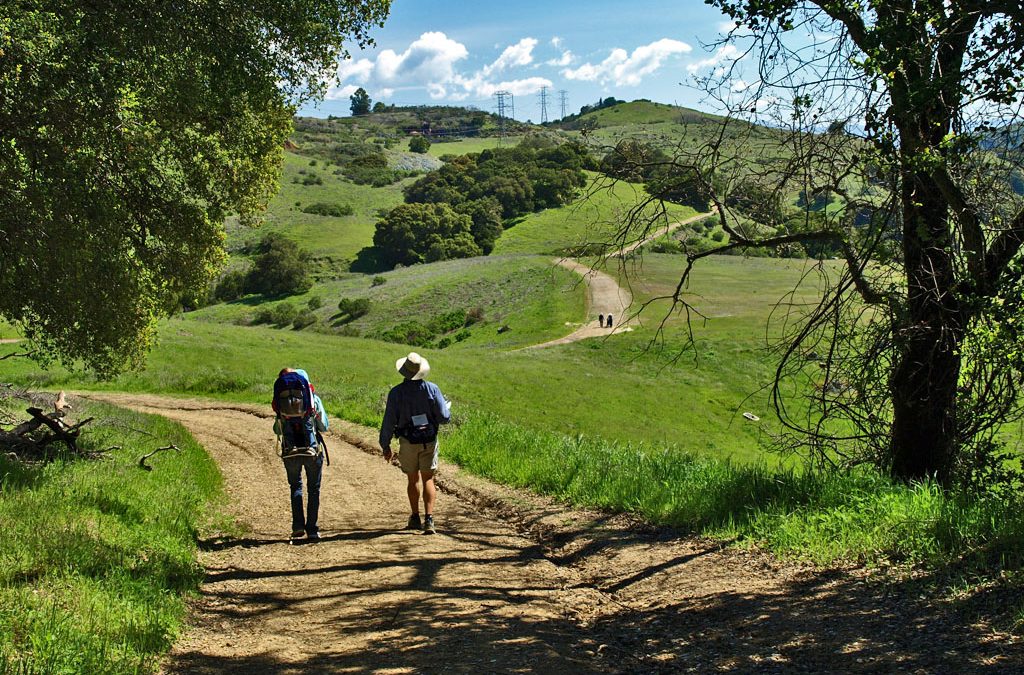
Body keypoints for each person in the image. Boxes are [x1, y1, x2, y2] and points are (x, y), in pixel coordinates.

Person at [379, 352, 451, 534]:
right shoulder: (432, 389)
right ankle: (429, 519)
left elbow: (389, 421)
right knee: (428, 478)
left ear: (404, 371)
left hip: (407, 441)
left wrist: (385, 445)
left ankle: (415, 516)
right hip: (429, 440)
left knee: (413, 479)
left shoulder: (396, 393)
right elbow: (444, 417)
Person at [273, 367, 327, 542]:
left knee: (295, 486)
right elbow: (324, 426)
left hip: (290, 452)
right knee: (313, 489)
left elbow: (277, 429)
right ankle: (312, 529)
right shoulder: (313, 400)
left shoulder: (282, 404)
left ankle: (297, 526)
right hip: (312, 451)